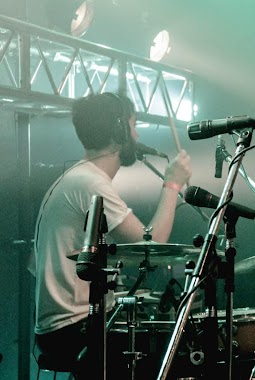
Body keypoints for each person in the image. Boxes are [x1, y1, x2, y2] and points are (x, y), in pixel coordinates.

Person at [33, 92, 192, 378]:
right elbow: (151, 243)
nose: (137, 133)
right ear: (119, 131)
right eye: (133, 125)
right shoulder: (90, 183)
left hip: (60, 327)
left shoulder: (74, 178)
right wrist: (172, 185)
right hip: (73, 329)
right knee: (177, 354)